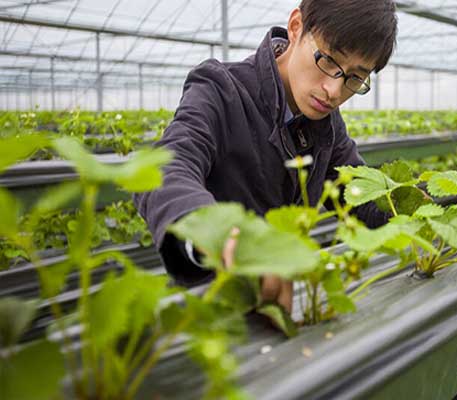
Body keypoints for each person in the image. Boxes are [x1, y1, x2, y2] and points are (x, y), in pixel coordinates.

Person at [133, 0, 398, 313]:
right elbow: (167, 168)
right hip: (212, 306)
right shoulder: (220, 89)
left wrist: (420, 205)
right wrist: (223, 239)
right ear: (296, 26)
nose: (333, 90)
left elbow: (361, 198)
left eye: (355, 77)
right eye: (328, 60)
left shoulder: (326, 124)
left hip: (284, 307)